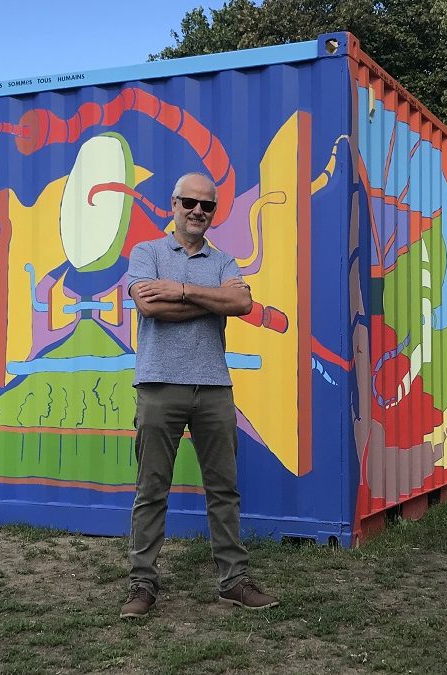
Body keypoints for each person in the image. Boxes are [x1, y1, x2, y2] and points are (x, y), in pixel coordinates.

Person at [120, 172, 279, 619]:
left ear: (214, 212)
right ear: (173, 204)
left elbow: (243, 305)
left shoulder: (225, 260)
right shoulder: (146, 252)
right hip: (158, 385)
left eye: (206, 205)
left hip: (213, 388)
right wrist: (211, 300)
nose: (197, 211)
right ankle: (142, 583)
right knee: (151, 489)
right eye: (189, 202)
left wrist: (182, 290)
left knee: (223, 489)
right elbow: (149, 306)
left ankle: (234, 581)